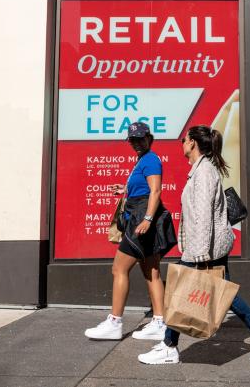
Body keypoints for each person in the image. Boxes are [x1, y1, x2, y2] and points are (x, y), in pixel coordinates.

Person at [137, 125, 250, 365]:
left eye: (184, 139)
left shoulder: (203, 173)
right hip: (209, 245)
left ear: (193, 142)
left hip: (204, 247)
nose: (182, 143)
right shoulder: (201, 170)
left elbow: (203, 216)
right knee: (224, 294)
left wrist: (199, 254)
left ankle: (169, 346)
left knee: (179, 291)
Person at [85, 122, 176, 341]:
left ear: (149, 138)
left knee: (118, 269)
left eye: (140, 139)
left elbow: (155, 190)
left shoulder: (151, 160)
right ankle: (159, 322)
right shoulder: (142, 160)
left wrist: (147, 219)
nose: (136, 143)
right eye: (133, 139)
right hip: (139, 217)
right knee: (151, 272)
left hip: (141, 220)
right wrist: (124, 190)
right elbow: (144, 188)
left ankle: (114, 322)